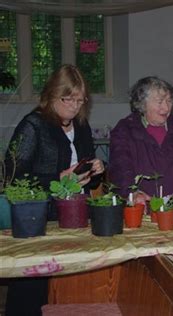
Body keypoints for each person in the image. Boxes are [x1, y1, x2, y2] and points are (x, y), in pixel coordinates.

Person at [4, 64, 105, 316]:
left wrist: (95, 170)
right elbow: (13, 178)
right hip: (38, 218)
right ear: (51, 95)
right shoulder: (33, 125)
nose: (74, 106)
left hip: (75, 214)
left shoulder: (81, 125)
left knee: (71, 287)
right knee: (33, 289)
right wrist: (57, 178)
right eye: (68, 99)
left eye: (80, 101)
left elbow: (86, 178)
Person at [109, 76, 173, 204]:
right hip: (143, 208)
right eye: (160, 102)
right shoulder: (126, 130)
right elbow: (120, 166)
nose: (166, 108)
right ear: (142, 104)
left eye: (169, 101)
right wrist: (132, 193)